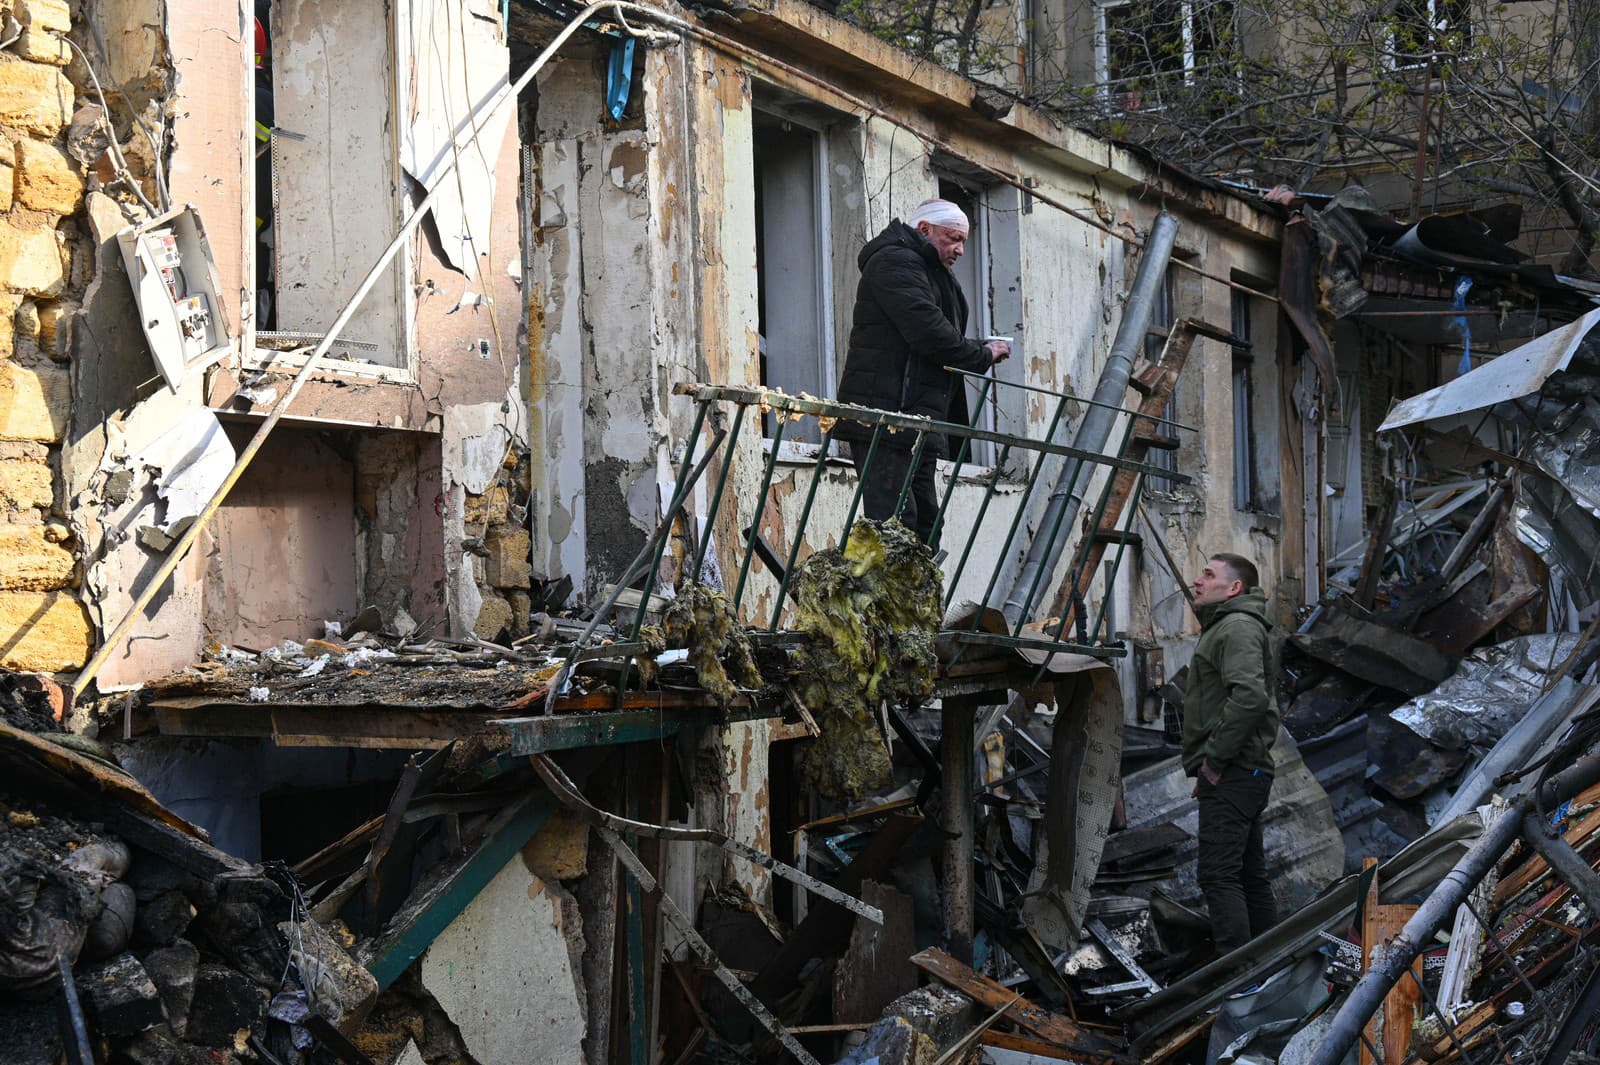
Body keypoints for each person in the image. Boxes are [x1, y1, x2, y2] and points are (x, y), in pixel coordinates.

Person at [836, 198, 1010, 547]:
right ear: (924, 230)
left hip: (914, 418)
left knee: (924, 526)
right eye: (953, 238)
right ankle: (886, 599)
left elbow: (937, 333)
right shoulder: (895, 261)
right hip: (885, 418)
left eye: (963, 241)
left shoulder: (929, 270)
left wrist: (975, 349)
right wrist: (982, 353)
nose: (960, 250)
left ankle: (910, 600)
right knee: (896, 526)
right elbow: (930, 333)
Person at [1182, 553, 1277, 956]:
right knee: (1248, 876)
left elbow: (1250, 697)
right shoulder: (1229, 627)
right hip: (1245, 771)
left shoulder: (1236, 627)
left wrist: (1215, 763)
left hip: (1236, 769)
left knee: (1219, 877)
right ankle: (1268, 969)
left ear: (1234, 588)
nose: (1197, 581)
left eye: (1208, 574)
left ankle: (1236, 982)